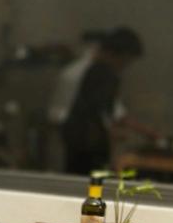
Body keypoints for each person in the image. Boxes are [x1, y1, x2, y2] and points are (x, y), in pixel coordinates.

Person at [61, 27, 157, 175]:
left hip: (78, 139)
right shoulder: (104, 74)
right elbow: (101, 110)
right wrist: (113, 133)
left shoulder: (93, 70)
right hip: (89, 143)